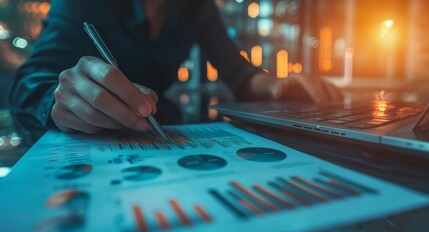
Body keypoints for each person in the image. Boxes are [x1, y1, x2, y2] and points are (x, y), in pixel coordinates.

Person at [9, 0, 342, 144]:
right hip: (97, 144)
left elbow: (238, 72)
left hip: (160, 133)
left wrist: (275, 85)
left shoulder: (196, 7)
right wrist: (63, 100)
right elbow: (31, 81)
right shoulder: (85, 3)